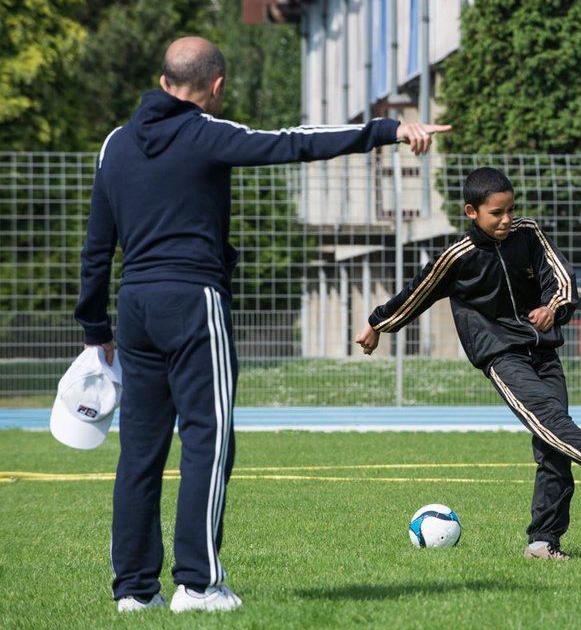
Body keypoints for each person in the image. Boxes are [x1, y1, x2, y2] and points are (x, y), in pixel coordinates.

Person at [74, 36, 450, 613]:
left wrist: (95, 326)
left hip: (136, 307)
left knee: (140, 451)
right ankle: (197, 585)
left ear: (162, 77)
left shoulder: (114, 145)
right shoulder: (204, 132)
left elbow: (97, 248)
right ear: (217, 86)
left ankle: (134, 592)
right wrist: (386, 131)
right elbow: (293, 144)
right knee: (208, 441)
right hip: (194, 301)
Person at [355, 167, 581, 561]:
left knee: (553, 443)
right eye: (496, 213)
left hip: (544, 351)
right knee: (551, 423)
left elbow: (561, 277)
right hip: (501, 356)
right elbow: (417, 292)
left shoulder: (528, 233)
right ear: (472, 212)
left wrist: (553, 308)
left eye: (510, 210)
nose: (506, 220)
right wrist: (377, 323)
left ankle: (542, 544)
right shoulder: (456, 258)